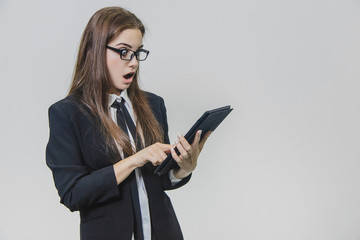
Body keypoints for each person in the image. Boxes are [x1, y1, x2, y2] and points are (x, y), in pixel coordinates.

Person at [46, 6, 211, 240]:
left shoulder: (154, 104)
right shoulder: (67, 114)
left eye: (137, 52)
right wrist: (136, 159)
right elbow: (73, 194)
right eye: (124, 52)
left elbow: (160, 180)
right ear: (95, 52)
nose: (133, 62)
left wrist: (184, 167)